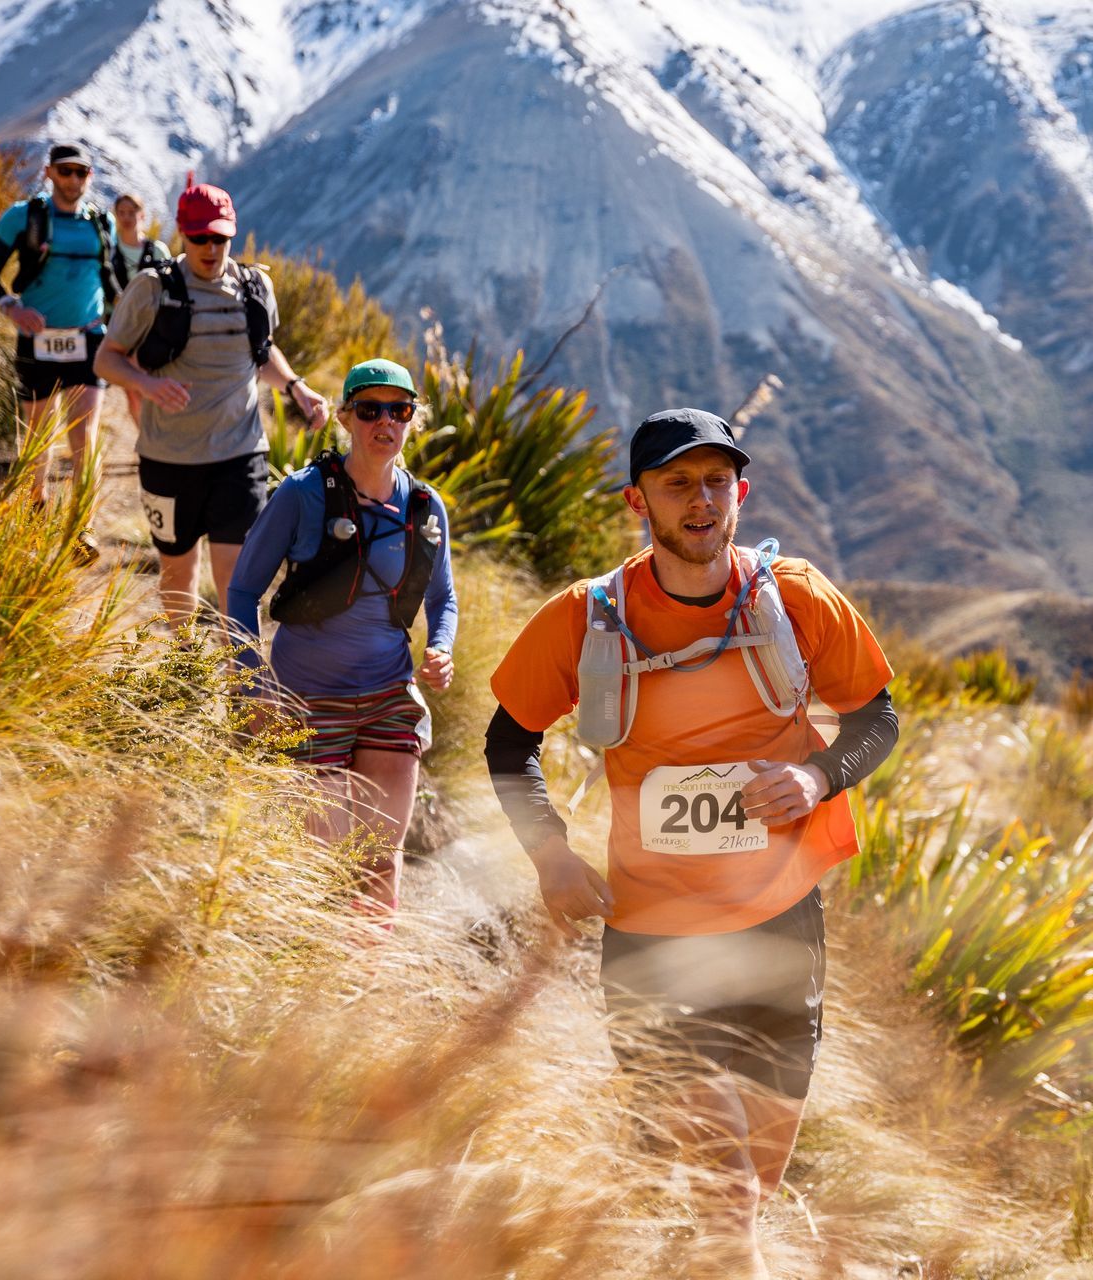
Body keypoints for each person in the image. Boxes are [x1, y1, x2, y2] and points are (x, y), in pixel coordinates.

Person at [486, 408, 898, 1277]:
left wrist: (817, 779)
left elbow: (876, 719)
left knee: (754, 1178)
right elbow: (508, 743)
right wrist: (552, 854)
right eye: (678, 484)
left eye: (716, 481)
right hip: (655, 934)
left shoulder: (797, 598)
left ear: (741, 493)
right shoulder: (584, 620)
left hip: (782, 927)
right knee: (727, 1194)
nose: (700, 501)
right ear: (640, 501)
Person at [226, 359, 457, 913]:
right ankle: (312, 982)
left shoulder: (426, 508)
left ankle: (371, 985)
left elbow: (442, 597)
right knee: (321, 857)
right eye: (371, 410)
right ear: (347, 417)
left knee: (381, 854)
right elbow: (240, 593)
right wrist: (255, 683)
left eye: (399, 411)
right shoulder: (302, 495)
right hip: (308, 698)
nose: (386, 422)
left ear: (411, 420)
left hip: (387, 694)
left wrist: (441, 647)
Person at [96, 180, 328, 625]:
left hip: (238, 457)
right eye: (199, 237)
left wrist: (296, 386)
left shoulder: (254, 286)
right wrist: (145, 385)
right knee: (178, 573)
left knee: (238, 580)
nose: (209, 247)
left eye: (219, 237)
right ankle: (186, 670)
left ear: (231, 235)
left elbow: (262, 354)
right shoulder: (151, 289)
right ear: (182, 233)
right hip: (169, 459)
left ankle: (240, 683)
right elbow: (107, 360)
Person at [0, 141, 117, 550]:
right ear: (50, 172)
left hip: (87, 339)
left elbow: (109, 280)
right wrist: (11, 308)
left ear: (89, 177)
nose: (73, 179)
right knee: (37, 434)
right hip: (37, 340)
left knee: (84, 435)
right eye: (66, 170)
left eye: (81, 172)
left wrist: (121, 320)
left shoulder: (100, 223)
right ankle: (35, 509)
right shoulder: (24, 217)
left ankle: (82, 527)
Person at [107, 191, 172, 420]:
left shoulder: (158, 251)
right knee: (133, 387)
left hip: (152, 329)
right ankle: (145, 440)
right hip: (119, 327)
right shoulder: (108, 251)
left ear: (141, 215)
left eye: (131, 212)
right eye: (121, 212)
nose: (126, 218)